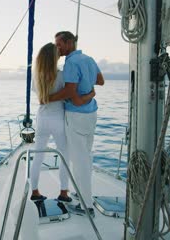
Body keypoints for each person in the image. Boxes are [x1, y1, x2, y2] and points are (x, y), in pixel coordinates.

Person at [30, 42, 95, 202]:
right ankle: (63, 193)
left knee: (38, 156)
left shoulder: (36, 77)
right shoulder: (61, 75)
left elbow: (39, 95)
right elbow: (68, 93)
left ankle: (34, 191)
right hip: (58, 118)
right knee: (64, 156)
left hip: (42, 119)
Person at [49, 31, 104, 213]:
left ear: (68, 43)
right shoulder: (88, 58)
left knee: (79, 161)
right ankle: (82, 193)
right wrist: (89, 93)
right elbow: (100, 80)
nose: (57, 48)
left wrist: (48, 98)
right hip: (91, 113)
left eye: (58, 44)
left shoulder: (71, 62)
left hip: (76, 116)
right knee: (86, 156)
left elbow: (70, 92)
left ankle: (86, 205)